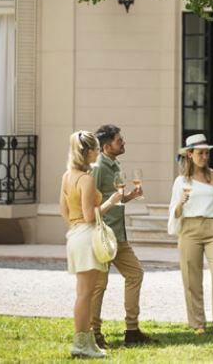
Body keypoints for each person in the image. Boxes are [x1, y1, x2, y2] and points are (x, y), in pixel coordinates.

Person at [59, 130, 122, 359]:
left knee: (84, 293)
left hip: (75, 235)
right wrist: (111, 201)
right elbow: (89, 215)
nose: (98, 152)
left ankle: (87, 342)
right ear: (87, 152)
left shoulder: (67, 176)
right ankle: (80, 344)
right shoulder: (85, 180)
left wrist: (76, 228)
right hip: (87, 237)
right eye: (95, 148)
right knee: (85, 295)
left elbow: (64, 211)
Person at [167, 134, 213, 336]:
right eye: (200, 153)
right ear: (190, 154)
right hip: (189, 229)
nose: (205, 157)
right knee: (191, 277)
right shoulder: (181, 181)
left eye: (207, 153)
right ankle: (198, 323)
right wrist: (180, 202)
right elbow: (175, 213)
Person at [90, 124, 152, 348]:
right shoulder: (98, 167)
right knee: (99, 285)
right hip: (102, 236)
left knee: (135, 274)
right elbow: (91, 202)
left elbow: (115, 197)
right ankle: (94, 333)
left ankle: (132, 331)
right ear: (107, 146)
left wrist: (130, 196)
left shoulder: (115, 163)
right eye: (119, 140)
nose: (123, 142)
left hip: (119, 235)